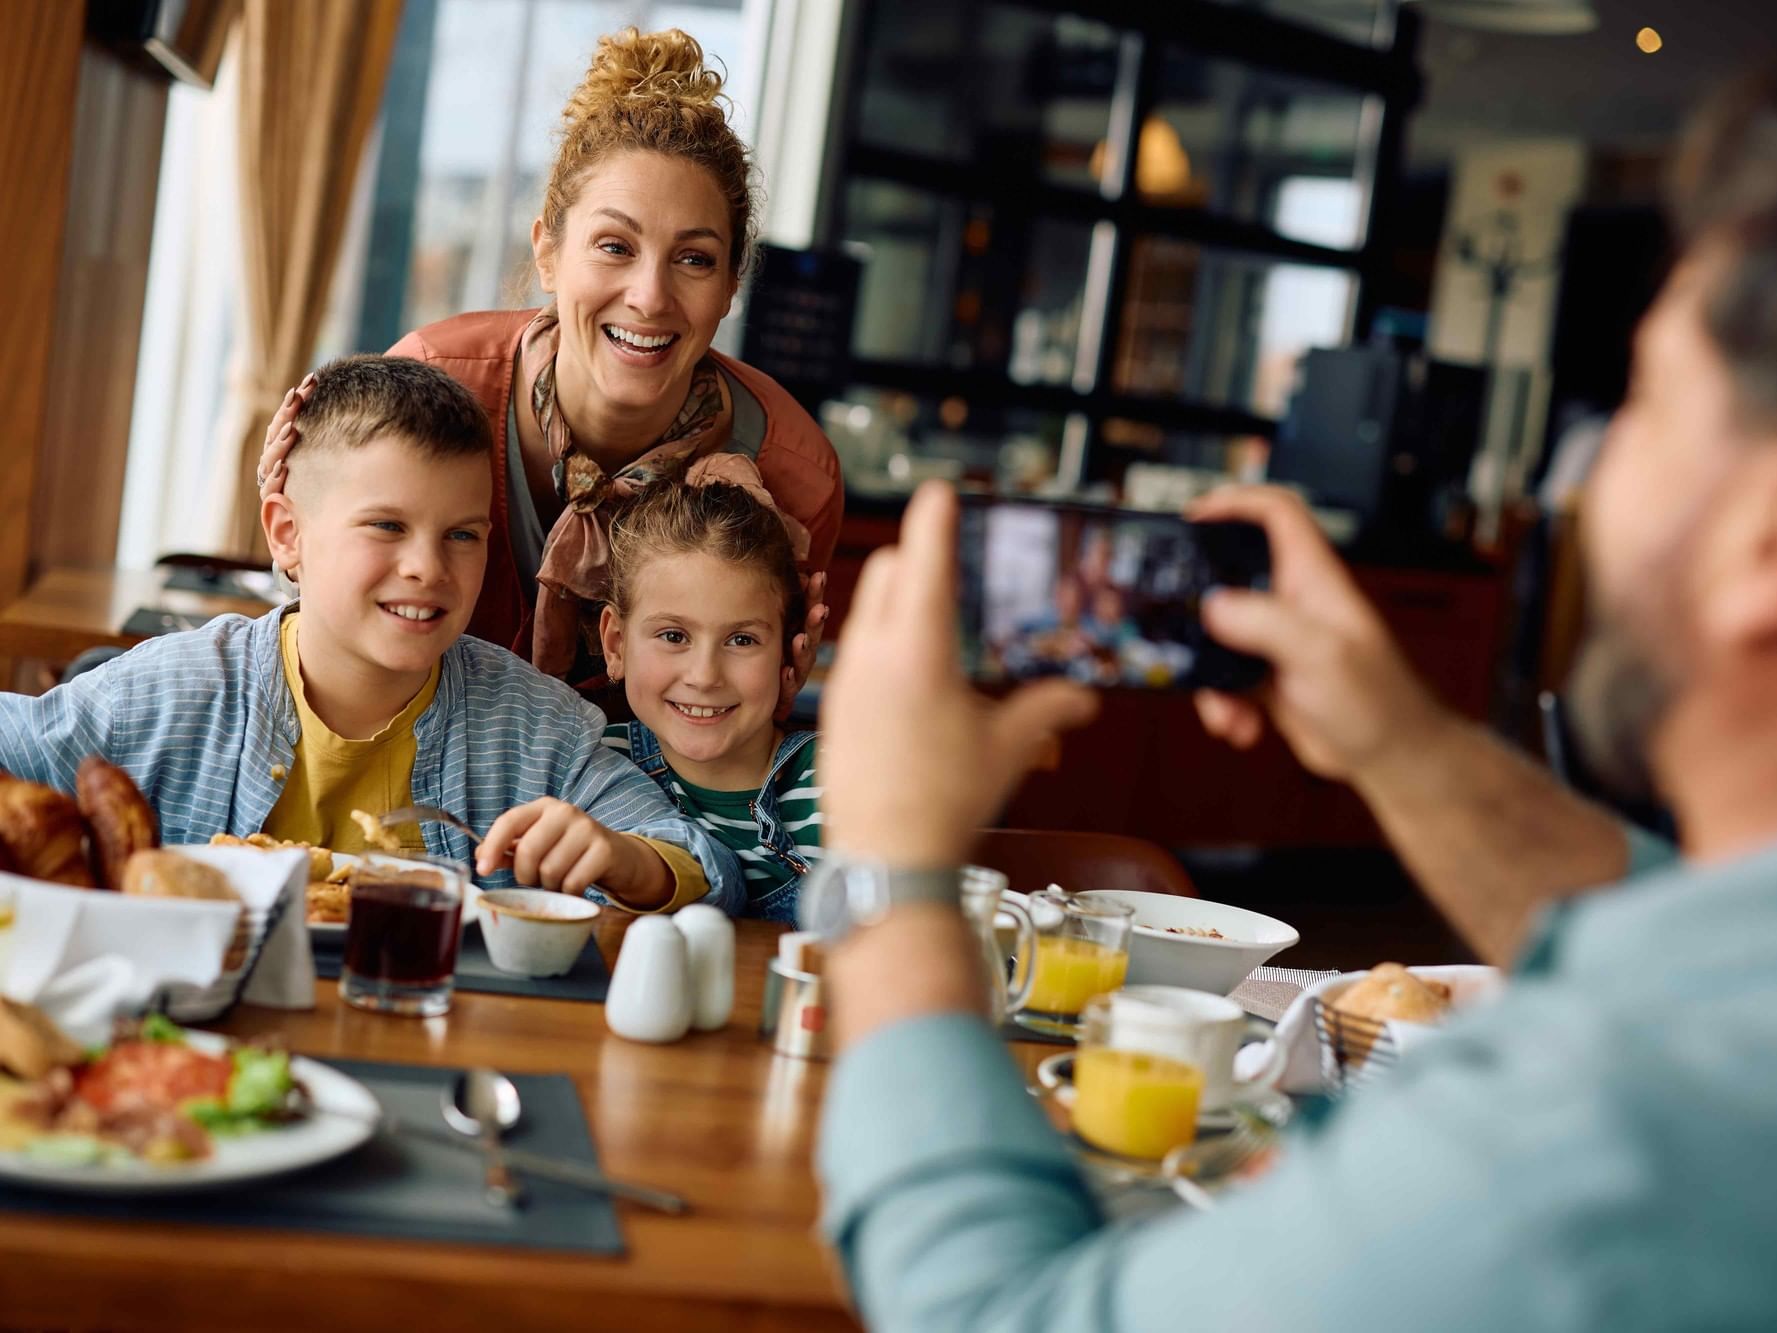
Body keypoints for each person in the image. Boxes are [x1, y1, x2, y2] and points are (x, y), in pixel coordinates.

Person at [800, 65, 1777, 1330]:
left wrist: (890, 877)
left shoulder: (1587, 1139)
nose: (1594, 475)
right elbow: (1677, 957)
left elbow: (987, 1314)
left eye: (1641, 405)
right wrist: (1397, 741)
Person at [0, 356, 740, 916]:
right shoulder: (176, 690)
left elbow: (708, 867)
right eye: (387, 525)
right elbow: (19, 739)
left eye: (462, 534)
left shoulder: (533, 727)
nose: (427, 567)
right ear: (287, 535)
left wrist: (621, 858)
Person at [256, 27, 839, 701]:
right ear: (547, 253)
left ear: (731, 283)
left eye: (694, 258)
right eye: (614, 247)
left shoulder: (793, 475)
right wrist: (302, 557)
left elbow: (745, 719)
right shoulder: (434, 383)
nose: (649, 296)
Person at [595, 477, 821, 922]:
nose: (704, 676)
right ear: (616, 645)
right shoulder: (591, 769)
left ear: (789, 648)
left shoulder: (839, 787)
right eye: (674, 636)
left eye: (741, 639)